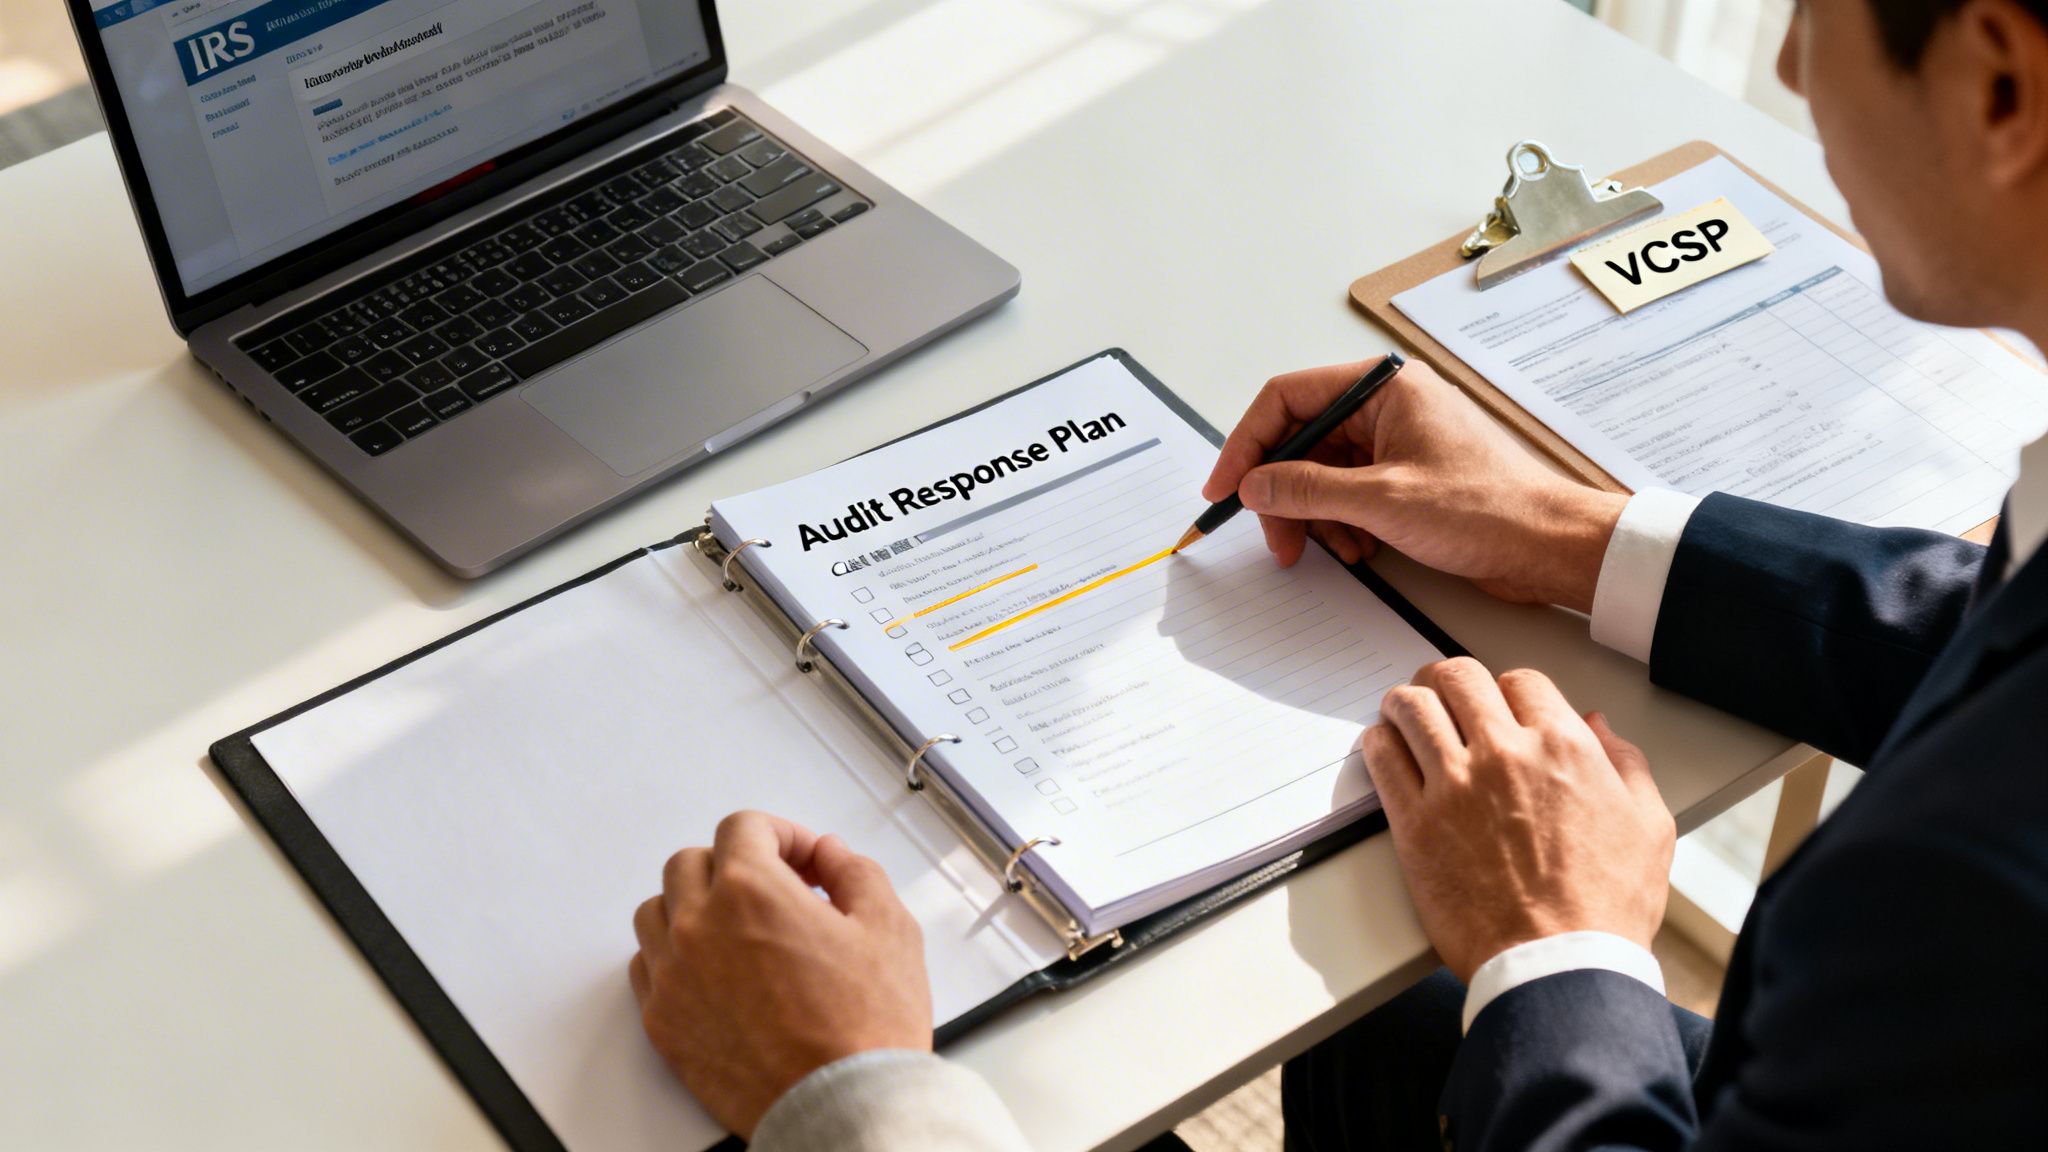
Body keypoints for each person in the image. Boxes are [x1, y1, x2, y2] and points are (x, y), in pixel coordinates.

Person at [629, 2, 2048, 1148]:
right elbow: (1988, 620)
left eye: (1815, 10)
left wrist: (841, 1097)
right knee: (1370, 1023)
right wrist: (1563, 529)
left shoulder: (1960, 895)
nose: (1788, 64)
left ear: (2000, 86)